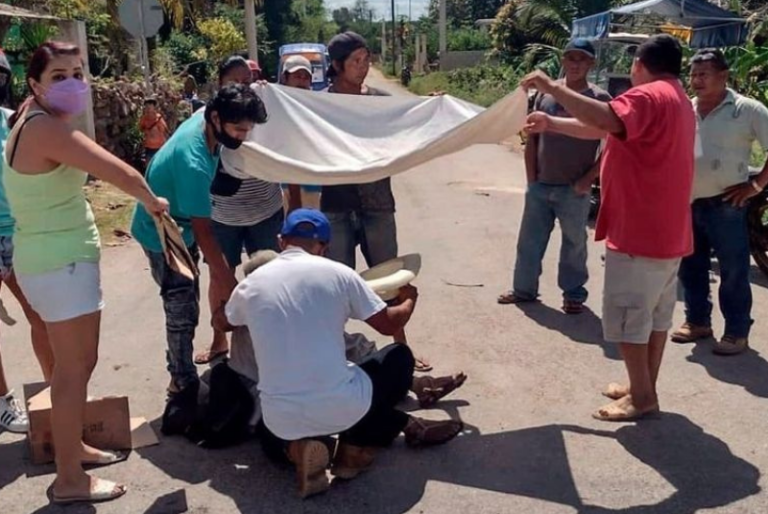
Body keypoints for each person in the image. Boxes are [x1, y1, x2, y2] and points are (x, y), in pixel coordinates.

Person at [4, 41, 169, 504]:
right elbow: (120, 173)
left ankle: (73, 449)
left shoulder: (31, 118)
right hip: (61, 265)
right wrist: (153, 203)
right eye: (59, 75)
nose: (73, 83)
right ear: (35, 84)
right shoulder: (44, 130)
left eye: (78, 72)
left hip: (53, 261)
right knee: (73, 372)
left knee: (71, 368)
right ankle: (70, 480)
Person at [221, 209, 464, 498]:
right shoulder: (340, 274)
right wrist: (409, 299)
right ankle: (355, 448)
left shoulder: (252, 285)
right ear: (324, 247)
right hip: (343, 408)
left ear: (281, 240)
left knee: (274, 427)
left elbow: (224, 322)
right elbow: (389, 324)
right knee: (397, 357)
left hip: (282, 416)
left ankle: (298, 450)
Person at [521, 34, 696, 421]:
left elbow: (604, 118)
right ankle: (642, 385)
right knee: (653, 318)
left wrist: (551, 88)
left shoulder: (646, 97)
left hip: (640, 231)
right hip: (667, 232)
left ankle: (643, 398)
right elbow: (605, 128)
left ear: (639, 65)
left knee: (629, 319)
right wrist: (552, 121)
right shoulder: (676, 99)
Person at [131, 84, 268, 435]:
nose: (242, 137)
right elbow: (207, 233)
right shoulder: (193, 161)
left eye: (247, 130)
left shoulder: (207, 119)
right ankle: (183, 384)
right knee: (181, 308)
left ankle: (184, 376)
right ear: (217, 118)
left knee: (188, 298)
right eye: (238, 130)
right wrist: (226, 280)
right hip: (163, 232)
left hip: (183, 224)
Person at [323, 31, 431, 372]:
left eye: (366, 59)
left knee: (393, 282)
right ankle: (332, 352)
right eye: (356, 61)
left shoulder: (380, 100)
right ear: (337, 65)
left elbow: (410, 117)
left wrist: (434, 107)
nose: (364, 67)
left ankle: (402, 351)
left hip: (378, 203)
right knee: (335, 287)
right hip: (336, 205)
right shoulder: (319, 105)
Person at [498, 38, 611, 314]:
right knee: (529, 241)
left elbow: (611, 146)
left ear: (591, 64)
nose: (575, 64)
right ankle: (524, 290)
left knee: (574, 245)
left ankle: (573, 295)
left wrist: (588, 180)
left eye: (581, 59)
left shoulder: (599, 99)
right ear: (563, 60)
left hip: (575, 188)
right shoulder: (545, 95)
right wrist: (531, 179)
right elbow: (531, 138)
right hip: (541, 184)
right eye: (571, 58)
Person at [673, 49, 768, 356]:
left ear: (724, 76)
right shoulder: (685, 109)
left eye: (704, 74)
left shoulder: (747, 109)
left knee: (733, 270)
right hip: (687, 201)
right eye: (693, 74)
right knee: (691, 266)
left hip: (727, 203)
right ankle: (697, 321)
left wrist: (755, 185)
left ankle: (737, 331)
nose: (696, 80)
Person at [194, 56, 286, 366]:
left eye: (247, 80)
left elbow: (292, 154)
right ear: (220, 84)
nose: (242, 86)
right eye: (234, 81)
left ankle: (271, 341)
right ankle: (220, 340)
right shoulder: (209, 123)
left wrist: (294, 202)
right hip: (223, 217)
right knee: (221, 277)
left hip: (266, 211)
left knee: (271, 277)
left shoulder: (265, 116)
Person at [0, 48, 52, 435]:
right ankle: (3, 404)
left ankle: (57, 397)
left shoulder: (10, 122)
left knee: (41, 317)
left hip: (18, 232)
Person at [279, 55, 320, 211]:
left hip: (312, 184)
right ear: (284, 78)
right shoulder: (273, 102)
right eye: (297, 76)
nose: (302, 81)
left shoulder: (318, 105)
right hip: (281, 185)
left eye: (306, 77)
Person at [138, 97, 169, 168]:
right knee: (148, 165)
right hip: (148, 146)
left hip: (159, 146)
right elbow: (141, 128)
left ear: (154, 108)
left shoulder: (159, 119)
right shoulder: (144, 118)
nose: (148, 109)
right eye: (147, 107)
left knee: (159, 165)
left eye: (150, 107)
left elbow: (163, 130)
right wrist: (146, 131)